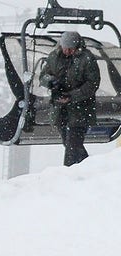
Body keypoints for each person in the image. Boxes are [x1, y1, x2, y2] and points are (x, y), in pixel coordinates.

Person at [40, 31, 100, 166]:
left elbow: (92, 84)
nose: (67, 51)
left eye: (71, 49)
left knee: (72, 147)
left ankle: (68, 174)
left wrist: (72, 96)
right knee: (69, 143)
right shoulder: (54, 57)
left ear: (77, 46)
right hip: (61, 110)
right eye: (65, 48)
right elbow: (43, 76)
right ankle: (90, 168)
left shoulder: (87, 59)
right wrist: (51, 82)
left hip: (80, 110)